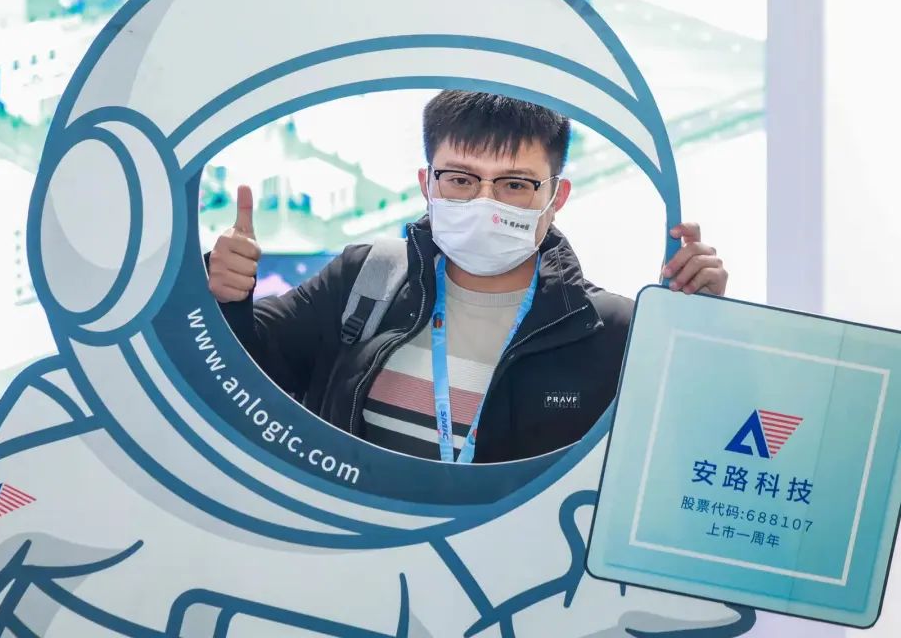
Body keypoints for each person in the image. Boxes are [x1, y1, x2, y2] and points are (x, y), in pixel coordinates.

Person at [208, 90, 728, 463]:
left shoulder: (611, 332)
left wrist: (701, 333)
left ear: (557, 196)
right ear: (426, 184)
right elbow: (238, 367)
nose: (484, 203)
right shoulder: (365, 280)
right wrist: (226, 293)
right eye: (460, 179)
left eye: (514, 185)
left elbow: (691, 452)